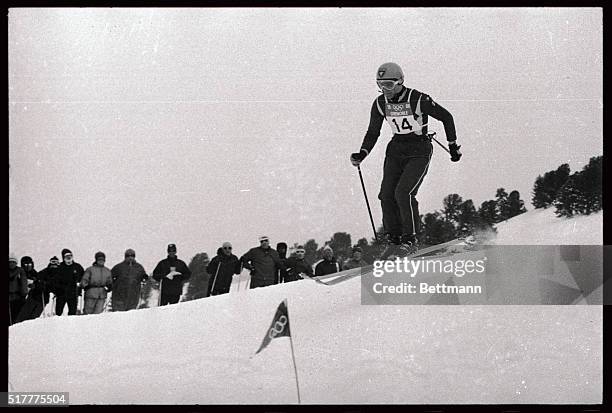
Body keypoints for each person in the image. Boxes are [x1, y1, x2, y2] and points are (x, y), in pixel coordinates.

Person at [350, 62, 462, 251]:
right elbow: (372, 132)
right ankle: (393, 240)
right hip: (396, 149)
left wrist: (452, 146)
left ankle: (409, 239)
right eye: (380, 85)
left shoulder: (417, 99)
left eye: (389, 85)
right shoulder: (380, 103)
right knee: (386, 194)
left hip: (419, 150)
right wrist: (362, 153)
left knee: (403, 193)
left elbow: (446, 117)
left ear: (400, 82)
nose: (384, 90)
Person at [15, 256, 49, 323]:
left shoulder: (35, 274)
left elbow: (40, 285)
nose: (28, 266)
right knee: (20, 317)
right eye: (26, 264)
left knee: (30, 319)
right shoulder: (19, 273)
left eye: (30, 264)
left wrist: (36, 286)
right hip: (19, 298)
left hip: (32, 298)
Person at [52, 248, 85, 315]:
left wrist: (80, 285)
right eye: (66, 256)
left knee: (72, 312)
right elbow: (54, 280)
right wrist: (56, 289)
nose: (69, 258)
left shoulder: (77, 267)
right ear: (63, 257)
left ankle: (71, 324)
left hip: (73, 293)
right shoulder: (59, 267)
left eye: (70, 256)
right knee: (58, 312)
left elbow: (83, 278)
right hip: (61, 293)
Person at [9, 253, 28, 325]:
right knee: (17, 316)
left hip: (13, 297)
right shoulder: (20, 271)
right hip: (18, 297)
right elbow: (24, 283)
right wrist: (24, 294)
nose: (11, 264)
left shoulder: (20, 271)